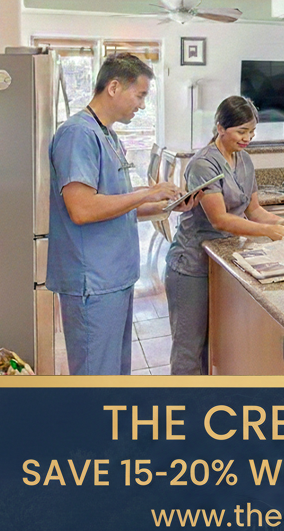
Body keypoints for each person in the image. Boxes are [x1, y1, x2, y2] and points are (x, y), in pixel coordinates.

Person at [47, 53, 198, 375]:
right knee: (96, 376)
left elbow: (116, 205)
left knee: (114, 373)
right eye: (140, 95)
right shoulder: (78, 134)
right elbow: (83, 209)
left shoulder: (108, 135)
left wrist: (163, 207)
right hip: (93, 280)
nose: (142, 105)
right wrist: (145, 192)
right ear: (114, 87)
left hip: (114, 276)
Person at [165, 96, 284, 375]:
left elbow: (255, 209)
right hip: (192, 264)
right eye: (241, 131)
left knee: (218, 344)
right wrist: (269, 232)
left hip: (226, 262)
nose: (247, 138)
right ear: (220, 127)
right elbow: (220, 219)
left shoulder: (244, 160)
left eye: (252, 132)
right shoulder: (203, 164)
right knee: (190, 347)